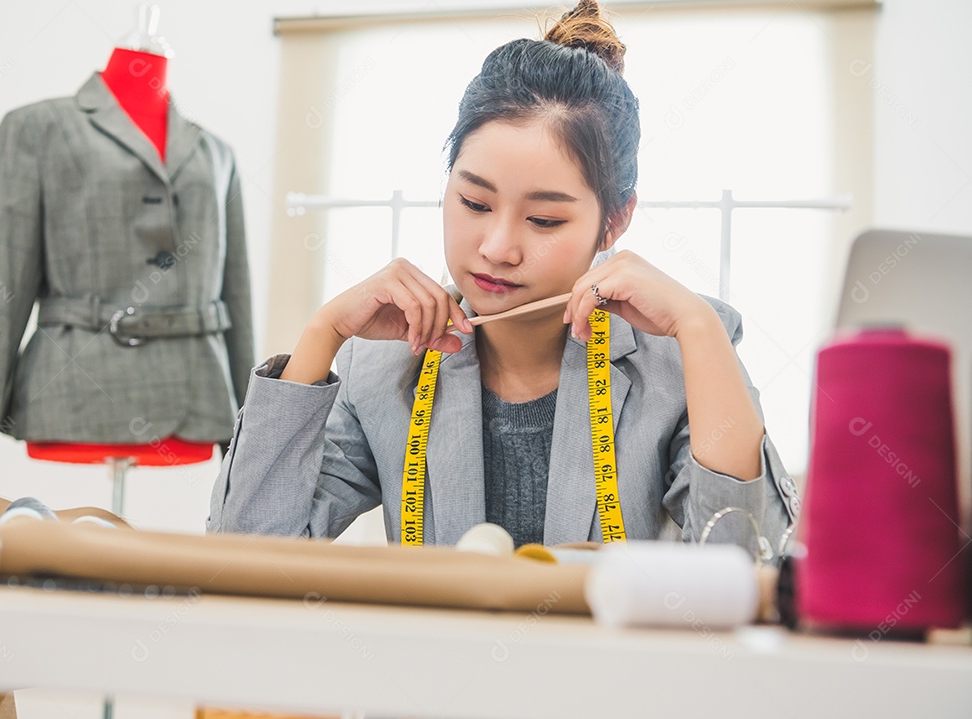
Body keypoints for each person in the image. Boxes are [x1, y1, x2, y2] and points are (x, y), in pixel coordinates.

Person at [208, 0, 798, 556]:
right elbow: (244, 555)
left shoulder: (680, 358)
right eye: (474, 203)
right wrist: (323, 334)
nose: (496, 248)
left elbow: (747, 564)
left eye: (544, 219)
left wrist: (697, 327)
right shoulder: (383, 365)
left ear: (615, 220)